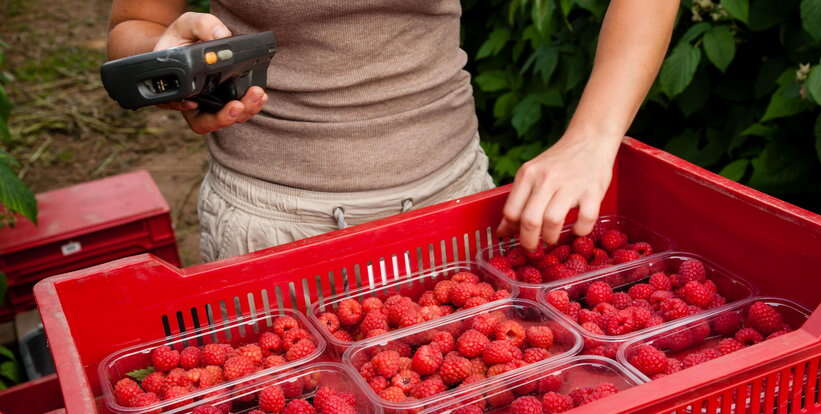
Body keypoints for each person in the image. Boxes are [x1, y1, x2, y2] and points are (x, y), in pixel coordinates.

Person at [107, 1, 680, 262]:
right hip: (270, 224)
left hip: (455, 203)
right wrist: (167, 62)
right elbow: (136, 24)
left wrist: (592, 139)